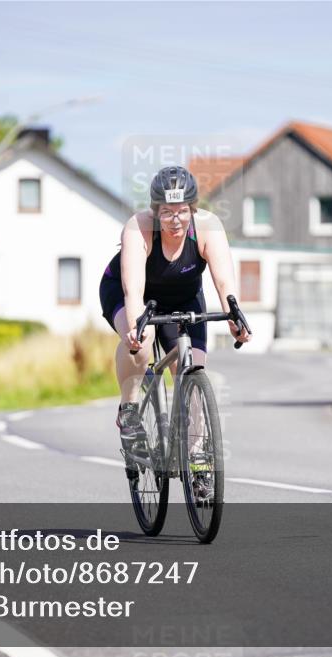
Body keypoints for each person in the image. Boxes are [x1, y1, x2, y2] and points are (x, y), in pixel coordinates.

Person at [99, 166, 250, 452]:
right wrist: (136, 328)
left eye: (182, 211)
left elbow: (223, 281)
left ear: (193, 209)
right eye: (167, 212)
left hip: (183, 298)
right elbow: (133, 291)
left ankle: (197, 457)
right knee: (140, 341)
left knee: (192, 369)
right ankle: (129, 410)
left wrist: (235, 317)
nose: (175, 220)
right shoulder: (139, 228)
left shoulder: (207, 227)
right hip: (126, 291)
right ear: (155, 212)